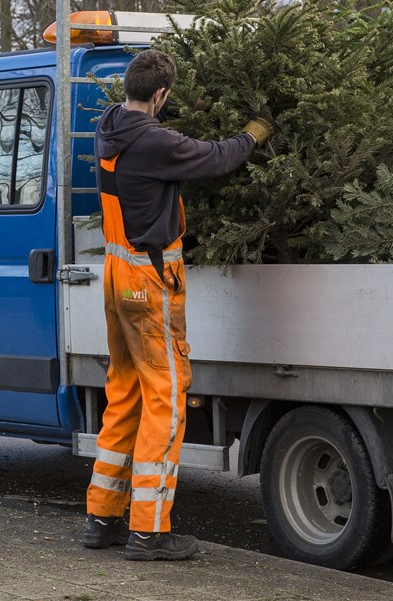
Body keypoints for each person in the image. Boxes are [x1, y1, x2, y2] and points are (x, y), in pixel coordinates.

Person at [81, 48, 273, 561]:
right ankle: (148, 531)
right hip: (148, 281)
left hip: (116, 274)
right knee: (166, 399)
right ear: (161, 95)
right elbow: (218, 157)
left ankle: (102, 518)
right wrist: (255, 132)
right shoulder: (155, 141)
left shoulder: (110, 128)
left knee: (124, 391)